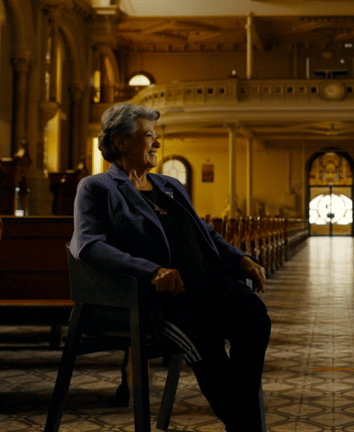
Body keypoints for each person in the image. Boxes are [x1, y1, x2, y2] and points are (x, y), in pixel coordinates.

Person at [70, 102, 270, 432]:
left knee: (254, 318)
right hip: (160, 301)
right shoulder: (97, 188)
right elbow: (89, 246)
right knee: (204, 339)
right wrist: (151, 270)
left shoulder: (169, 186)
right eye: (149, 136)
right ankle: (245, 427)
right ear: (121, 142)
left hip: (209, 285)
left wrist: (240, 258)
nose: (157, 143)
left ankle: (242, 422)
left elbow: (206, 232)